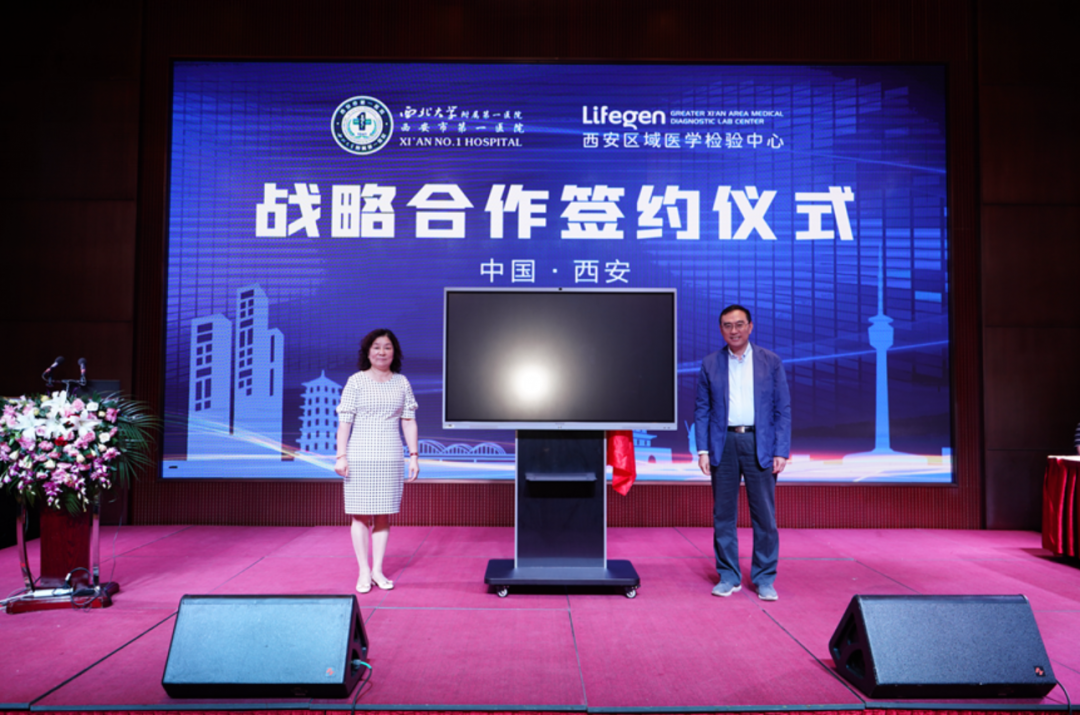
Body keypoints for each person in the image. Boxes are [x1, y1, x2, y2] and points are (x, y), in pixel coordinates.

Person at [695, 305, 791, 601]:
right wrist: (702, 450)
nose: (733, 330)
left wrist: (781, 450)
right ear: (720, 329)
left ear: (750, 326)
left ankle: (764, 578)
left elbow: (782, 409)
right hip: (722, 444)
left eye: (739, 324)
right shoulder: (710, 363)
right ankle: (728, 576)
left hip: (759, 444)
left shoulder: (770, 361)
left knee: (764, 517)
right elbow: (702, 410)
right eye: (727, 325)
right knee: (723, 515)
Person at [335, 328, 420, 593]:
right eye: (376, 347)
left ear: (394, 352)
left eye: (387, 347)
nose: (382, 352)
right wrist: (341, 456)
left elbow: (408, 421)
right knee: (360, 515)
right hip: (360, 454)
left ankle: (377, 570)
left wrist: (414, 456)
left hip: (390, 454)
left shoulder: (402, 382)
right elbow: (344, 422)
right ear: (368, 352)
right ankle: (363, 571)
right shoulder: (356, 381)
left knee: (383, 515)